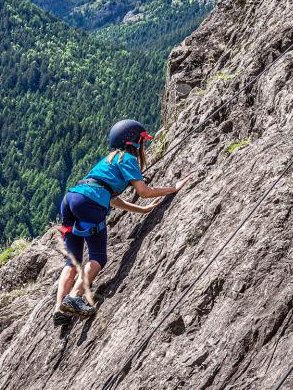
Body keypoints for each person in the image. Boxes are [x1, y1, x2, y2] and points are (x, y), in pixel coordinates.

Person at [53, 119, 191, 325]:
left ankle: (59, 309)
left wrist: (141, 210)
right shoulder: (128, 159)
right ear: (135, 142)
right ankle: (74, 297)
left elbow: (109, 196)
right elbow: (143, 191)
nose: (144, 145)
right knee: (98, 257)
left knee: (72, 261)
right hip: (89, 204)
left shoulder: (108, 160)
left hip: (71, 199)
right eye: (142, 141)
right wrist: (173, 188)